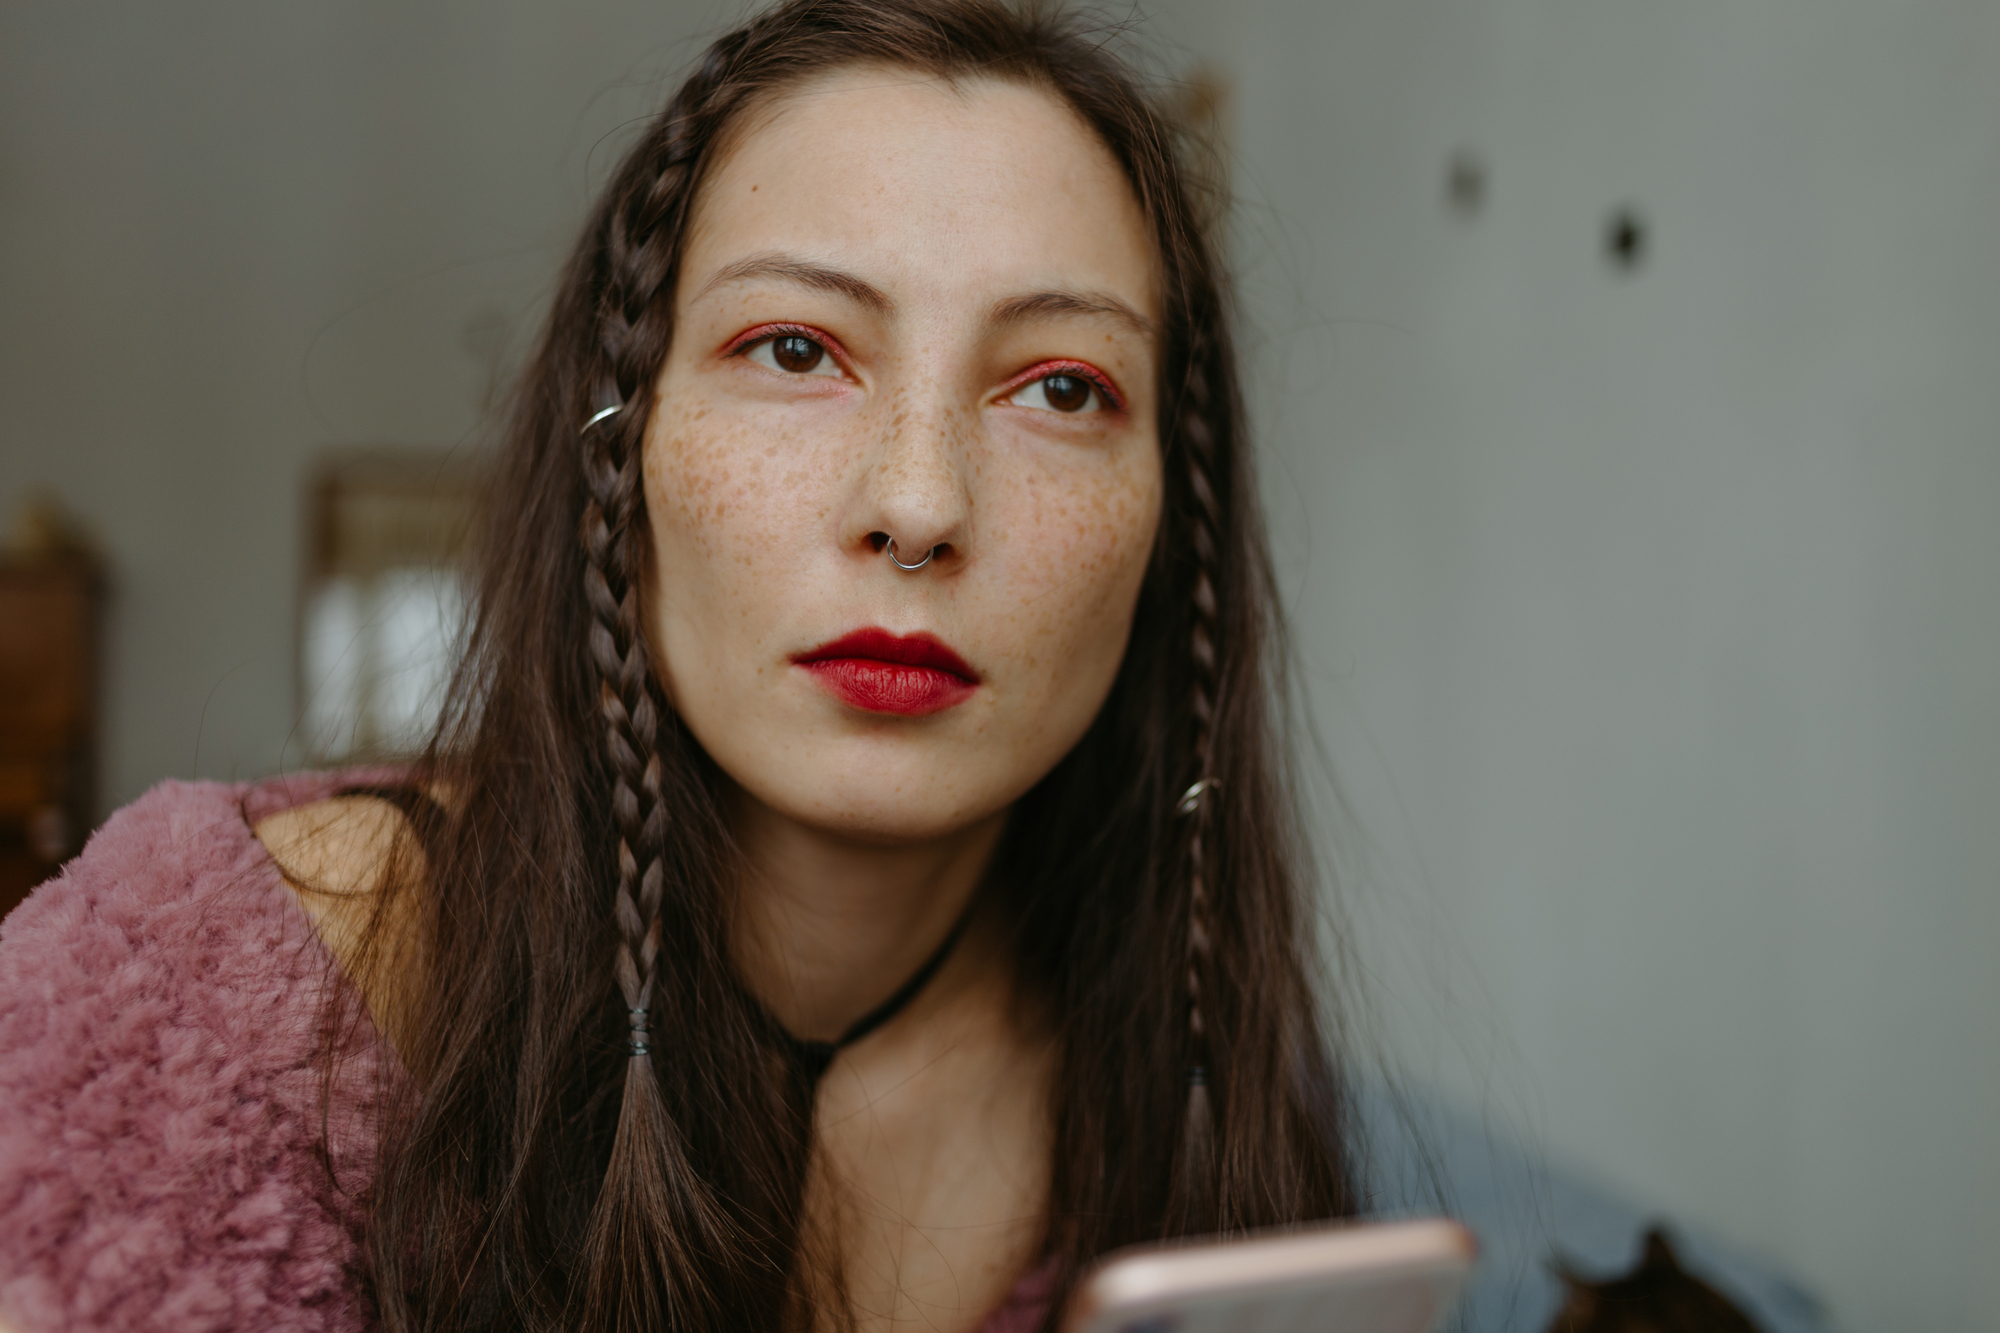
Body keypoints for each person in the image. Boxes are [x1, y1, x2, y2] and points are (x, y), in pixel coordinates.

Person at [0, 1, 1355, 1329]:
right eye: (794, 348)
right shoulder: (214, 982)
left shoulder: (1192, 1079)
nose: (921, 502)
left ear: (1170, 521)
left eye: (1062, 387)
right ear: (621, 451)